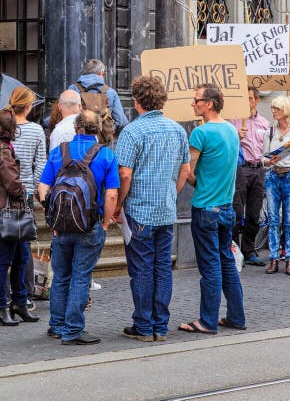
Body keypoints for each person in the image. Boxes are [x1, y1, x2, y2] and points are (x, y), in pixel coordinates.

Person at [115, 75, 190, 342]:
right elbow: (185, 169)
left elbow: (124, 174)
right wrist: (172, 192)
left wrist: (119, 204)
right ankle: (160, 325)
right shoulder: (178, 130)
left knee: (142, 269)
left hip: (139, 210)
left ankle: (144, 325)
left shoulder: (132, 131)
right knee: (162, 268)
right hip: (166, 209)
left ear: (136, 102)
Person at [38, 110, 119, 345]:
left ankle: (56, 325)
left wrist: (52, 218)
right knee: (81, 277)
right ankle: (73, 330)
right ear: (97, 130)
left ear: (76, 128)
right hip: (90, 225)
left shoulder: (58, 152)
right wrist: (105, 222)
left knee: (61, 276)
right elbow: (112, 194)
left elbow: (43, 188)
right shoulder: (105, 155)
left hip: (61, 227)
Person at [179, 84, 244, 335]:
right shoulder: (231, 130)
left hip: (205, 207)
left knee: (210, 266)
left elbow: (188, 171)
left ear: (209, 103)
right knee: (226, 261)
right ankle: (236, 317)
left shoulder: (200, 133)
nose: (193, 104)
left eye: (196, 100)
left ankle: (207, 320)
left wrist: (198, 182)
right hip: (226, 207)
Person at [0, 109, 39, 326]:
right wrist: (24, 191)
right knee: (5, 260)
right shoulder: (3, 153)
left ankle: (19, 302)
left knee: (20, 257)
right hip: (8, 212)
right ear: (8, 130)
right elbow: (12, 185)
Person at [8, 87, 46, 301]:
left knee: (2, 245)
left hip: (3, 192)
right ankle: (23, 291)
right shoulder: (36, 130)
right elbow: (40, 163)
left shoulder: (2, 125)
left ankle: (6, 293)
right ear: (30, 107)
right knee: (23, 243)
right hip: (24, 192)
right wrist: (34, 188)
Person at [263, 96, 290, 275]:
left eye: (277, 109)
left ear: (286, 111)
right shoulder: (270, 132)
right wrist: (269, 161)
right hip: (273, 175)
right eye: (273, 108)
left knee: (289, 220)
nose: (273, 111)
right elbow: (263, 158)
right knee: (273, 219)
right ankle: (274, 258)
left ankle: (289, 258)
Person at [229, 86, 270, 266]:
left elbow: (269, 148)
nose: (247, 102)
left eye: (250, 98)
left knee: (254, 213)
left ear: (256, 100)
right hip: (241, 169)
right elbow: (227, 147)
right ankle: (234, 249)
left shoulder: (264, 123)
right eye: (244, 98)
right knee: (237, 212)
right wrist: (236, 137)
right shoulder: (232, 122)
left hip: (259, 168)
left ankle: (249, 249)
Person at [68, 59, 128, 131]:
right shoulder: (110, 92)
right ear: (100, 73)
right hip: (102, 138)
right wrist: (107, 132)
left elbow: (67, 115)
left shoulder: (73, 88)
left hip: (79, 136)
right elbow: (120, 120)